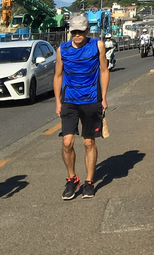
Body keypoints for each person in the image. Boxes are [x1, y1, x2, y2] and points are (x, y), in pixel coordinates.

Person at [54, 13, 109, 201]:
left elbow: (104, 70)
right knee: (67, 142)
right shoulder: (62, 49)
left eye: (81, 31)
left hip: (91, 99)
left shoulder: (97, 45)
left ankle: (89, 181)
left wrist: (104, 98)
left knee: (89, 142)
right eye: (74, 31)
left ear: (87, 30)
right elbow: (58, 76)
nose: (77, 35)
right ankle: (72, 178)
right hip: (69, 100)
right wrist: (58, 102)